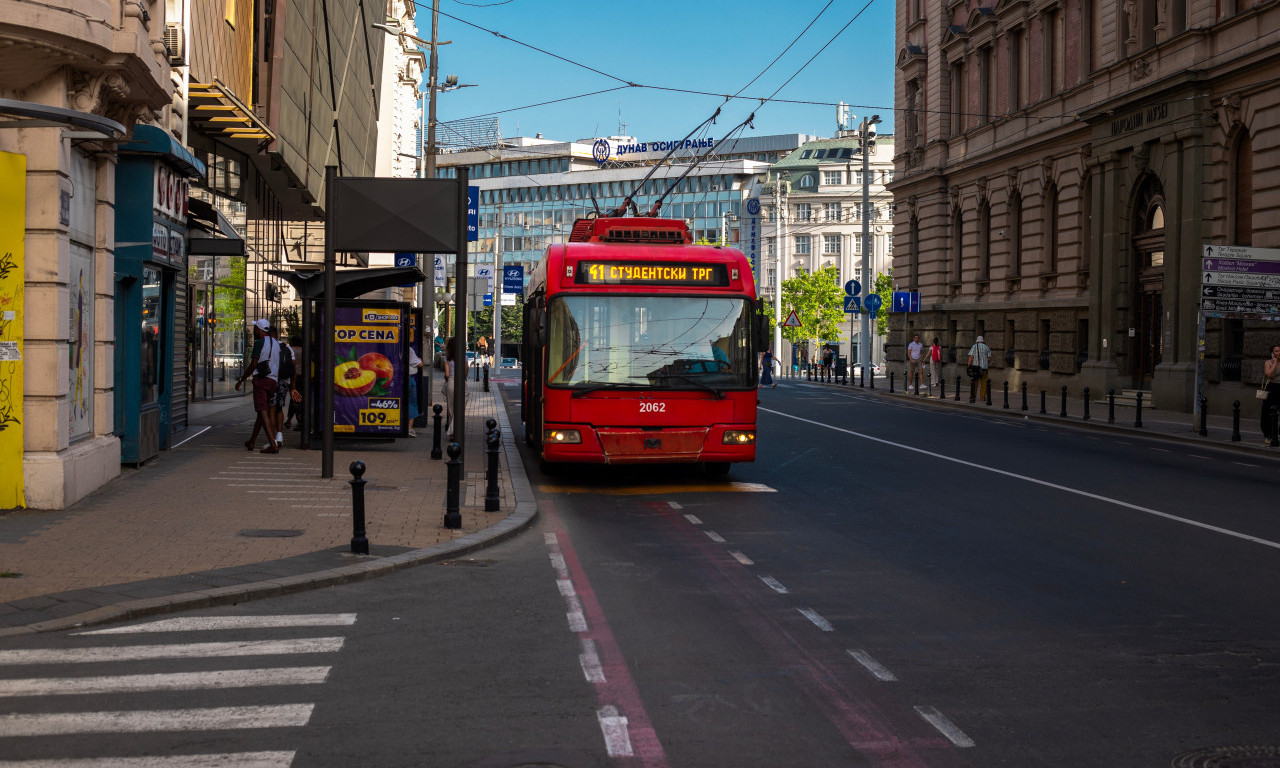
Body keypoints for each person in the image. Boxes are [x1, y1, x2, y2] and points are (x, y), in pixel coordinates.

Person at [234, 319, 282, 453]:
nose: (254, 330)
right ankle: (252, 441)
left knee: (262, 410)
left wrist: (241, 379)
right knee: (262, 413)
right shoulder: (277, 344)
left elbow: (254, 363)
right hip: (273, 380)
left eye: (256, 328)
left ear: (259, 330)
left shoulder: (259, 343)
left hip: (261, 380)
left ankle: (273, 444)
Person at [267, 327, 298, 448]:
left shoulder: (268, 346)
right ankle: (279, 435)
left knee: (271, 409)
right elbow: (293, 369)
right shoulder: (287, 348)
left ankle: (273, 438)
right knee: (279, 408)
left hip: (271, 380)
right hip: (284, 382)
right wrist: (292, 387)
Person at [1262, 344, 1280, 445]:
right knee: (1268, 412)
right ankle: (1268, 435)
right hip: (1272, 388)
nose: (1279, 353)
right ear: (1272, 353)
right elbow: (1269, 374)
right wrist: (1274, 363)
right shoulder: (1268, 362)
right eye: (1276, 351)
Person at [967, 335, 992, 401]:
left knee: (975, 382)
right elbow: (989, 359)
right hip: (984, 368)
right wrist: (986, 364)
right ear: (983, 341)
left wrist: (969, 365)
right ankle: (982, 397)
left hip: (976, 368)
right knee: (984, 382)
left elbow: (971, 357)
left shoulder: (974, 346)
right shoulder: (987, 347)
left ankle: (973, 395)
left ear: (977, 341)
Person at [407, 345, 424, 438]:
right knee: (412, 402)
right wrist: (419, 359)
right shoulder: (409, 349)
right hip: (409, 379)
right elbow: (420, 364)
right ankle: (409, 428)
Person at [443, 336, 457, 439]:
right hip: (461, 382)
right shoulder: (464, 357)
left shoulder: (447, 358)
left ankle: (452, 433)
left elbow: (447, 375)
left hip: (451, 382)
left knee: (451, 408)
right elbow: (465, 373)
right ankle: (455, 431)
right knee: (460, 408)